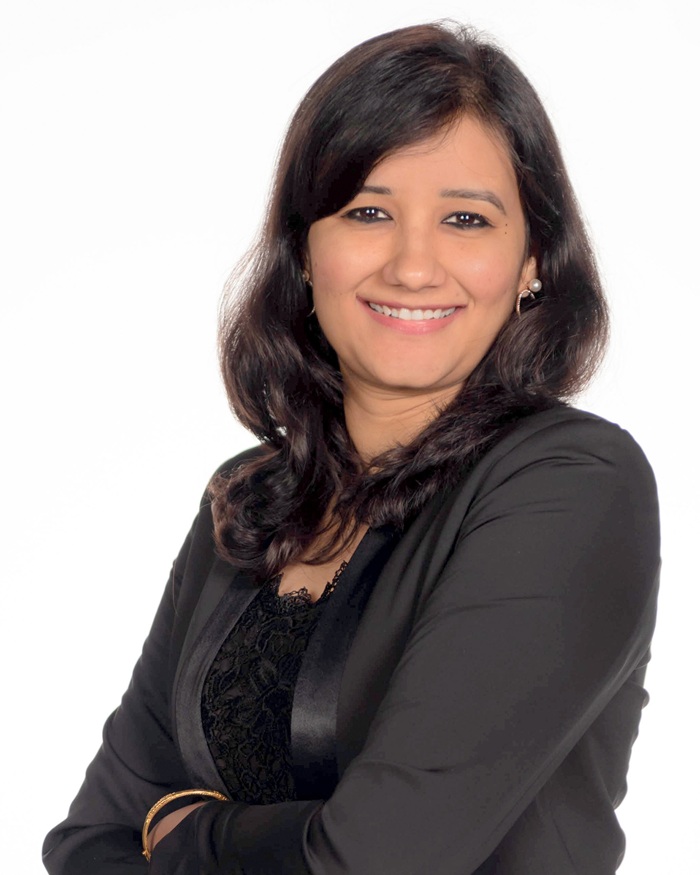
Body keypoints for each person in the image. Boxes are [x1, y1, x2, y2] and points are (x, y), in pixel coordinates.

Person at [42, 21, 660, 875]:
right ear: (304, 249)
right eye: (369, 212)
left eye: (466, 219)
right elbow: (88, 841)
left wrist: (188, 834)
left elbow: (380, 859)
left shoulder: (571, 486)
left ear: (532, 262)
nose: (414, 266)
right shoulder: (250, 499)